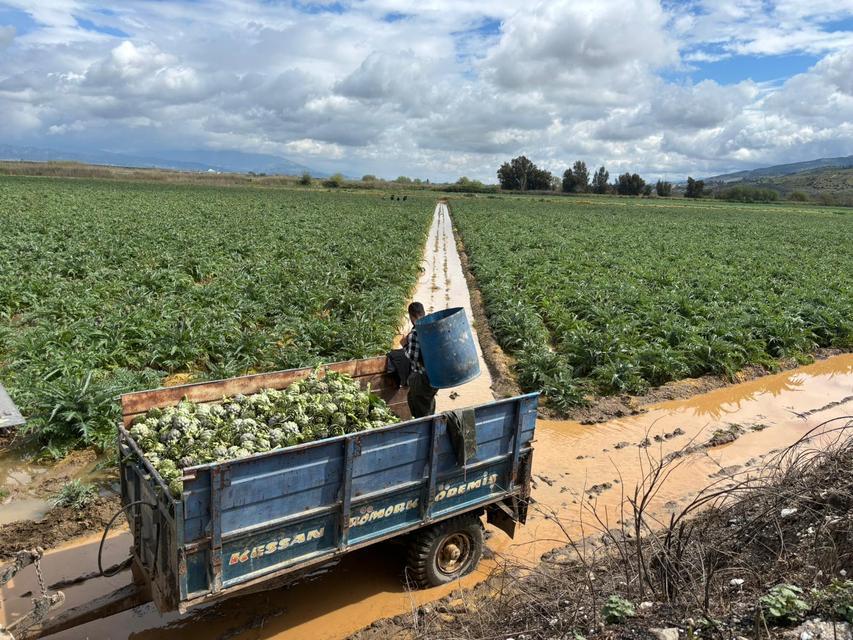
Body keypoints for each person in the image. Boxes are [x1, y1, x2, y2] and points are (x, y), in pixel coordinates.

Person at [401, 301, 437, 418]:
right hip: (436, 375)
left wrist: (404, 345)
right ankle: (430, 420)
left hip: (422, 376)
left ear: (411, 316)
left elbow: (413, 358)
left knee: (422, 409)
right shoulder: (431, 326)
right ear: (423, 312)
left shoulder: (415, 333)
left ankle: (426, 425)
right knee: (417, 399)